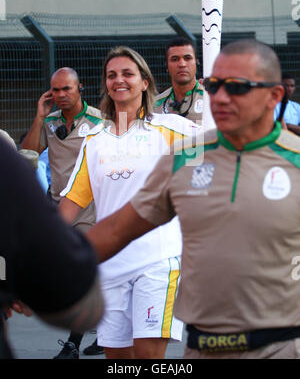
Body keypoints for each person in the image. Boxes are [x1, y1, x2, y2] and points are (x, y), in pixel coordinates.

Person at [84, 39, 300, 359]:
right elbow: (116, 231)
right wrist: (43, 267)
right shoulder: (184, 157)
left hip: (280, 346)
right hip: (202, 347)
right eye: (214, 86)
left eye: (237, 87)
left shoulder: (294, 161)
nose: (222, 98)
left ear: (275, 95)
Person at [59, 46, 198, 359]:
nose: (118, 80)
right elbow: (72, 200)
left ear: (145, 82)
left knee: (149, 356)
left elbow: (208, 169)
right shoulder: (94, 140)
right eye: (111, 75)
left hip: (158, 259)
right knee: (117, 358)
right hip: (110, 265)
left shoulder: (173, 129)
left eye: (127, 74)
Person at [20, 67, 103, 358]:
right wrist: (40, 117)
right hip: (57, 207)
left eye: (67, 89)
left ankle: (73, 342)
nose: (61, 95)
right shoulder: (51, 121)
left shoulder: (99, 120)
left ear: (80, 88)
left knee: (84, 269)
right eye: (55, 90)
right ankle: (104, 329)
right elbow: (28, 154)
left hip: (88, 208)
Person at [0, 136, 103, 359]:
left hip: (84, 216)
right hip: (62, 216)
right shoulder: (6, 157)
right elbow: (80, 309)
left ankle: (76, 342)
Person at [153, 37, 203, 123]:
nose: (182, 64)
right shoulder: (155, 105)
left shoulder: (212, 98)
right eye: (175, 59)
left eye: (187, 58)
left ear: (196, 62)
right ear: (166, 66)